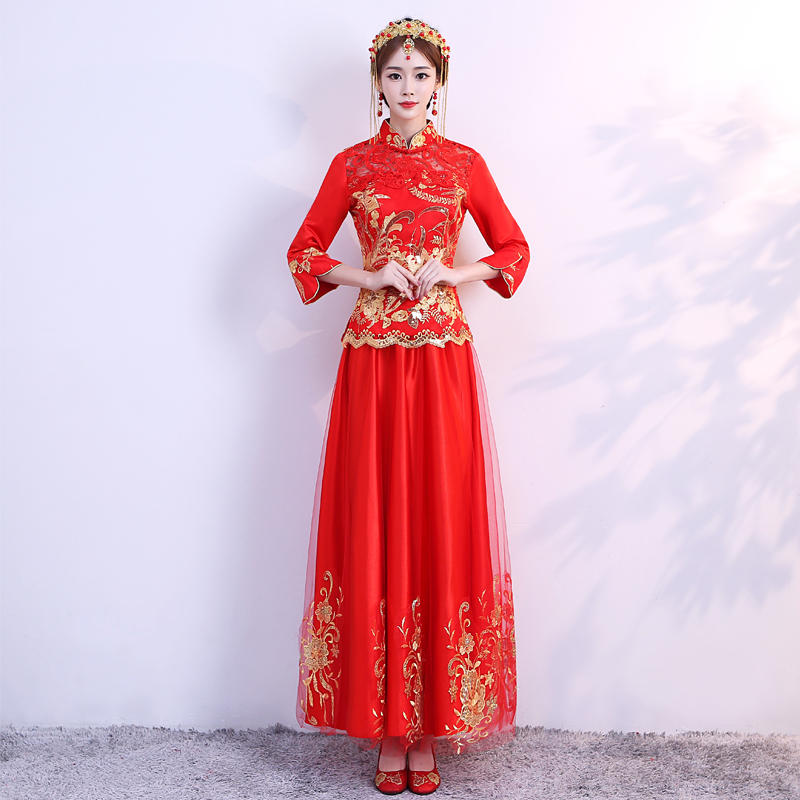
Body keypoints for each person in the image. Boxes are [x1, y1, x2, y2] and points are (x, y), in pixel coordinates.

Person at [287, 18, 529, 795]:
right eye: (395, 75)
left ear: (439, 85)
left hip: (442, 363)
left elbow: (514, 250)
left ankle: (426, 728)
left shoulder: (464, 164)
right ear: (378, 84)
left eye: (420, 75)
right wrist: (371, 275)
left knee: (436, 519)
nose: (408, 88)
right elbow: (304, 252)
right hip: (372, 364)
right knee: (377, 521)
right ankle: (389, 731)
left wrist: (455, 273)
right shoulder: (351, 165)